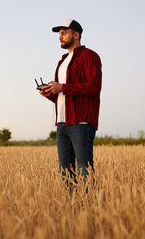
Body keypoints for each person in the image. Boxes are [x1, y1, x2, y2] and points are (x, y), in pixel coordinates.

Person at [38, 19, 102, 186]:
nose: (60, 36)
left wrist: (63, 87)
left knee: (84, 170)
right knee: (65, 172)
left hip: (81, 122)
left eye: (63, 32)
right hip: (62, 124)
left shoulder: (89, 55)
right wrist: (48, 93)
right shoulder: (62, 61)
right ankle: (72, 208)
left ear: (76, 34)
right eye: (59, 34)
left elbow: (93, 86)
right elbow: (62, 95)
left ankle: (91, 208)